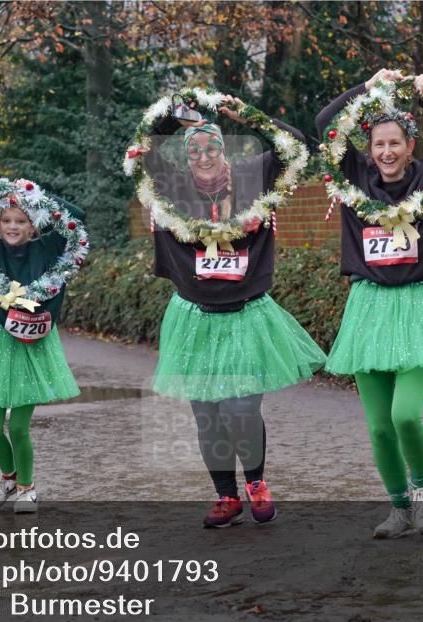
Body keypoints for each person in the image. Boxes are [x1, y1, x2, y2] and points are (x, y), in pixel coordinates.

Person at [129, 95, 326, 528]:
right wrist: (173, 118)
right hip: (194, 317)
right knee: (209, 416)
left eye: (213, 148)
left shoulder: (254, 177)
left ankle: (255, 482)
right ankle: (225, 496)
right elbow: (140, 150)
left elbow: (295, 146)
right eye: (194, 149)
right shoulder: (173, 186)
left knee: (241, 410)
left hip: (246, 315)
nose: (204, 156)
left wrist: (246, 115)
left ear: (225, 150)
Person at [315, 69, 423, 538]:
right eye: (378, 145)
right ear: (369, 151)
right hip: (368, 308)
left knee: (404, 414)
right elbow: (325, 122)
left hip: (417, 307)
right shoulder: (355, 179)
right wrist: (369, 88)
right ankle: (398, 508)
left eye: (395, 143)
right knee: (377, 428)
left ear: (410, 146)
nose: (387, 153)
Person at [0, 191, 83, 514]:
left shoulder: (45, 248)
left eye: (21, 221)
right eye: (6, 221)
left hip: (35, 342)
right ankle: (9, 477)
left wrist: (36, 194)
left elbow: (77, 216)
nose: (13, 227)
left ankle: (27, 488)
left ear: (33, 226)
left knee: (17, 426)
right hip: (1, 341)